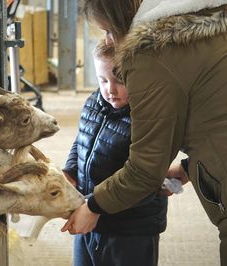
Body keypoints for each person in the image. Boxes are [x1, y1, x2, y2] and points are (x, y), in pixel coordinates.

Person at [61, 0, 227, 265]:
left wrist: (93, 206)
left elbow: (144, 172)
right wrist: (186, 168)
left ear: (122, 18)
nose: (110, 41)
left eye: (109, 31)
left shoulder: (151, 55)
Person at [62, 40, 168, 266]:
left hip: (130, 229)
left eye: (120, 80)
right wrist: (71, 170)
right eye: (102, 80)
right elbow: (81, 138)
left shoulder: (149, 118)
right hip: (88, 215)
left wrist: (94, 206)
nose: (110, 89)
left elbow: (143, 177)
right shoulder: (94, 101)